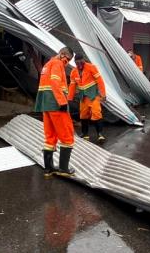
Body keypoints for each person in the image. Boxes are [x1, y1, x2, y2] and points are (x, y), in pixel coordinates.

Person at [35, 47, 75, 178]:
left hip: (46, 105)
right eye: (67, 60)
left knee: (50, 137)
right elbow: (55, 81)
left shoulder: (48, 64)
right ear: (62, 54)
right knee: (67, 136)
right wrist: (62, 101)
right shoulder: (57, 63)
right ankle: (63, 169)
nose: (67, 63)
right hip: (56, 104)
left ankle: (49, 169)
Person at [68, 53, 107, 143]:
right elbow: (72, 86)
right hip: (83, 97)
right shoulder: (73, 72)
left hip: (93, 95)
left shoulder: (91, 67)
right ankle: (85, 134)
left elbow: (100, 81)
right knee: (83, 114)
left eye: (81, 62)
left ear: (83, 60)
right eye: (77, 63)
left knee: (96, 113)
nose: (79, 64)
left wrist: (103, 94)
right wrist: (69, 99)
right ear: (75, 63)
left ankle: (100, 134)